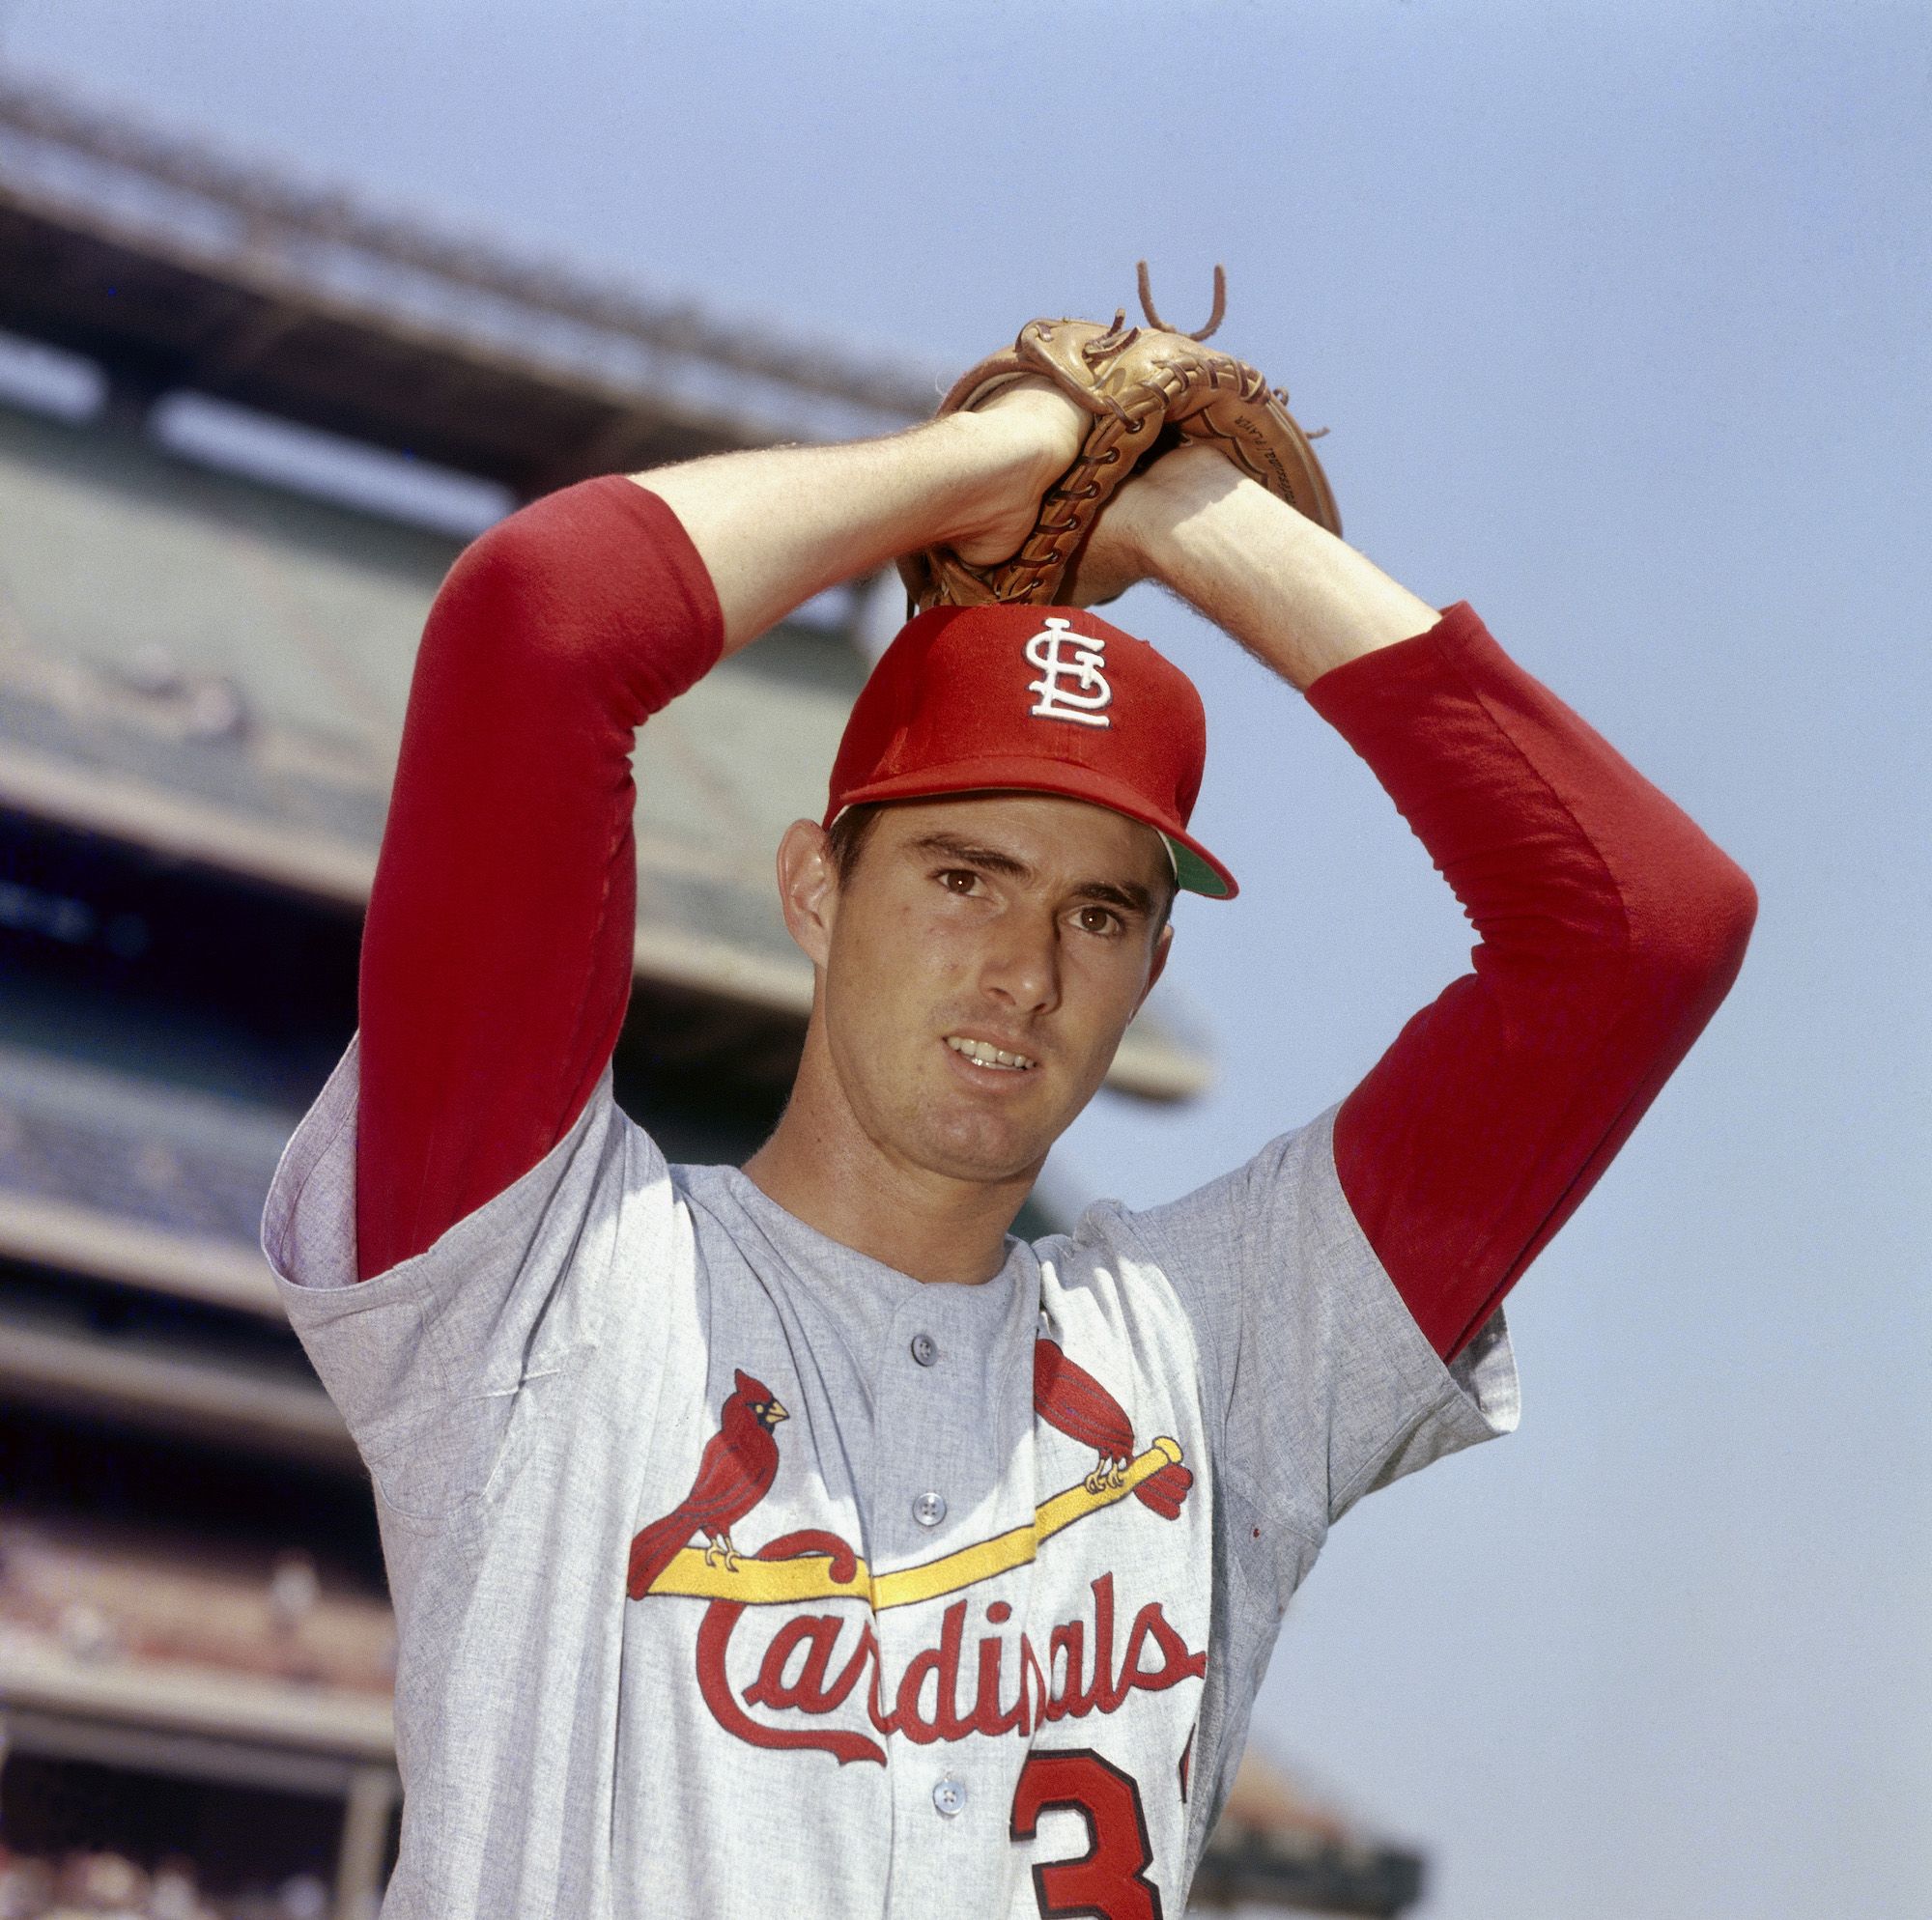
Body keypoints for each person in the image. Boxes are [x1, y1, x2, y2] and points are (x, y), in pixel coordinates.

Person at [262, 369, 1756, 1918]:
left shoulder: (1219, 1350)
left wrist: (1188, 522)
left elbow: (1648, 930)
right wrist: (1004, 459)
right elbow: (539, 621)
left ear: (1150, 971)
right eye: (963, 875)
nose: (1024, 971)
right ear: (815, 890)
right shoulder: (546, 1279)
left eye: (1096, 912)